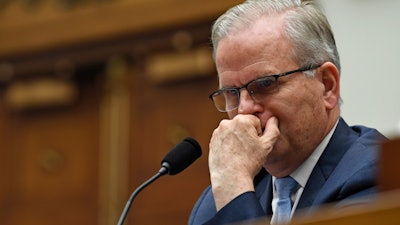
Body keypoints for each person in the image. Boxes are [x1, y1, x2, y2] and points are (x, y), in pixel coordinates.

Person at [188, 0, 387, 225]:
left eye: (264, 84)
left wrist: (234, 188)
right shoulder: (213, 204)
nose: (244, 110)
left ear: (327, 85)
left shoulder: (379, 175)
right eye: (231, 92)